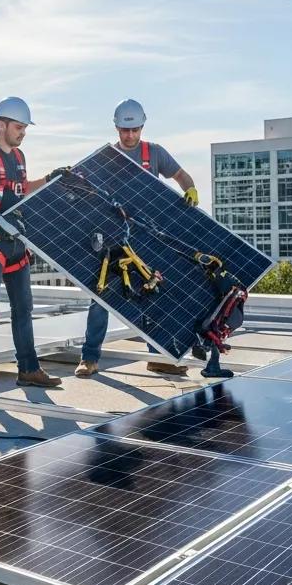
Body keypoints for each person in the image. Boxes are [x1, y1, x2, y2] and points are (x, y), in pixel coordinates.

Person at [77, 99, 199, 378]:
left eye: (134, 130)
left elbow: (180, 175)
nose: (129, 136)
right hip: (113, 235)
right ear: (116, 128)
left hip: (146, 236)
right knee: (102, 296)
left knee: (152, 293)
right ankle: (89, 358)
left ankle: (158, 357)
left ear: (142, 126)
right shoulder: (106, 157)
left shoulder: (154, 153)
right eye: (124, 130)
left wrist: (190, 189)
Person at [0, 97, 67, 393]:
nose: (23, 133)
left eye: (24, 128)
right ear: (1, 125)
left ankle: (29, 369)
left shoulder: (18, 158)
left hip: (15, 246)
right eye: (18, 127)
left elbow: (20, 189)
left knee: (24, 309)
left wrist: (49, 179)